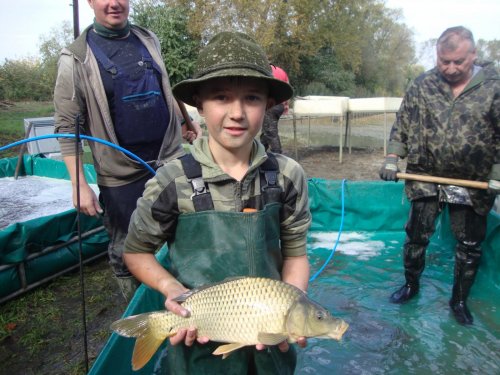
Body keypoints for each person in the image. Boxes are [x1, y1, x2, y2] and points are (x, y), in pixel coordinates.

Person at [123, 31, 312, 373]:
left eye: (252, 98)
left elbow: (296, 254)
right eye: (222, 97)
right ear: (199, 104)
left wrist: (290, 311)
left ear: (268, 104)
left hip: (269, 349)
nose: (237, 112)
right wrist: (171, 288)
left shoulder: (287, 175)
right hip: (199, 346)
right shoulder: (171, 180)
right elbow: (135, 251)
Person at [53, 0, 201, 301]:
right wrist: (79, 185)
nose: (114, 3)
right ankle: (137, 313)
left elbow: (165, 86)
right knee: (126, 245)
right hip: (120, 174)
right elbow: (68, 126)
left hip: (168, 159)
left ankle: (185, 301)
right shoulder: (75, 59)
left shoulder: (148, 39)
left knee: (184, 230)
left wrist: (185, 120)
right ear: (91, 2)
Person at [379, 26, 500, 325]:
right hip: (425, 174)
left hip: (472, 180)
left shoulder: (494, 86)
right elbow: (403, 121)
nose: (450, 67)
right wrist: (393, 157)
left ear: (473, 54)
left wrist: (497, 172)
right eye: (444, 61)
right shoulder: (422, 84)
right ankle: (410, 285)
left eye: (458, 61)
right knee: (416, 236)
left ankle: (459, 301)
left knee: (469, 246)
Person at [260, 65, 289, 153]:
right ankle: (260, 152)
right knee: (266, 130)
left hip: (271, 105)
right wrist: (286, 104)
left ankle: (278, 154)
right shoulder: (282, 71)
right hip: (280, 105)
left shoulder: (265, 70)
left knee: (270, 131)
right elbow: (287, 87)